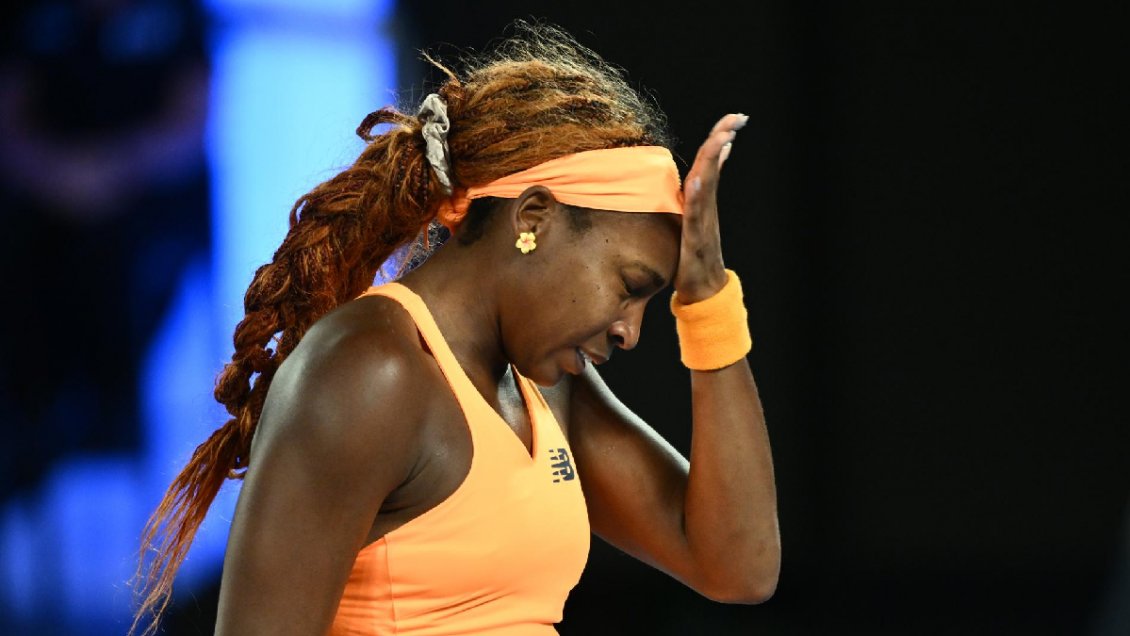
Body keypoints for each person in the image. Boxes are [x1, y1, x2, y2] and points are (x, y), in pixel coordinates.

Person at [132, 22, 780, 636]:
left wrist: (708, 298)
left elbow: (739, 568)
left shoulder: (548, 387)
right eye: (630, 285)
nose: (630, 331)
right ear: (533, 218)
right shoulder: (370, 370)